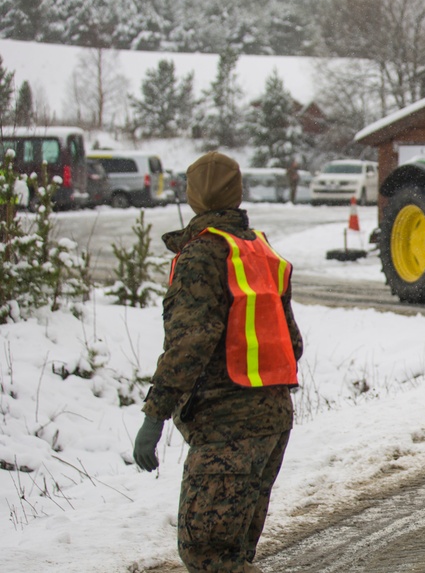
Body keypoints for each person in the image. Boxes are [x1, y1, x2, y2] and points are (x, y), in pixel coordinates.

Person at [132, 151, 304, 573]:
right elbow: (292, 342)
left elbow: (189, 345)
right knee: (233, 554)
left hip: (228, 428)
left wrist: (155, 416)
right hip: (273, 420)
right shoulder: (260, 252)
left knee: (207, 556)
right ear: (237, 192)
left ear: (193, 199)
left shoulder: (201, 256)